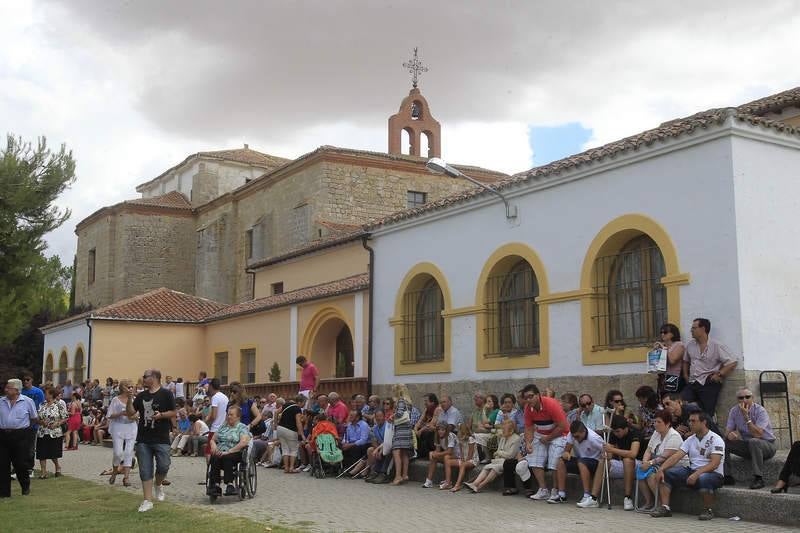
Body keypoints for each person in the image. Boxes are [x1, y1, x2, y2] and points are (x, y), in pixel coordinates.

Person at [651, 411, 725, 521]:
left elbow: (714, 464)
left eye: (693, 421)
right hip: (693, 471)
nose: (690, 423)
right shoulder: (690, 439)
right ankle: (665, 508)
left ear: (703, 422)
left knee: (703, 478)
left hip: (713, 474)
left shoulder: (716, 439)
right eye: (689, 421)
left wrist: (696, 474)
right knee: (667, 473)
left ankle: (708, 510)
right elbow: (676, 456)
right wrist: (661, 469)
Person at [132, 369, 176, 513]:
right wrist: (129, 398)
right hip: (143, 438)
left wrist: (161, 415)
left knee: (164, 466)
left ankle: (158, 484)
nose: (143, 378)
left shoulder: (166, 394)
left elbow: (174, 412)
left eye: (146, 376)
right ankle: (147, 500)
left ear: (155, 378)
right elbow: (131, 412)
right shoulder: (141, 395)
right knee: (145, 470)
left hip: (161, 437)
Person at [681, 318, 738, 416]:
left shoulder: (716, 345)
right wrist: (686, 375)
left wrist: (719, 373)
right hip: (693, 381)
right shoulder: (690, 345)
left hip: (708, 381)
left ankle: (710, 426)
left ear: (703, 329)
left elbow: (732, 361)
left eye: (694, 328)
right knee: (683, 403)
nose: (691, 330)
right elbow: (685, 361)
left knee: (707, 412)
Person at [523, 384, 569, 501]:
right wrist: (528, 443)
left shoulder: (552, 404)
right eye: (526, 397)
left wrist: (548, 438)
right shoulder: (528, 408)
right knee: (533, 458)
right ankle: (543, 489)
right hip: (541, 433)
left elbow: (563, 426)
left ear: (538, 395)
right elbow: (528, 427)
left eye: (531, 396)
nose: (528, 399)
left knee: (554, 460)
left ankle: (555, 490)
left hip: (559, 434)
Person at [724, 387, 776, 489]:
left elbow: (758, 434)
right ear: (737, 399)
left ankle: (758, 478)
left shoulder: (760, 411)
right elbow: (727, 431)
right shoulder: (734, 411)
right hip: (748, 446)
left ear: (753, 398)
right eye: (741, 398)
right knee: (723, 442)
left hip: (767, 445)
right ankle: (727, 476)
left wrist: (746, 417)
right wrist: (730, 435)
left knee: (754, 441)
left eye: (747, 397)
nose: (744, 400)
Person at [637, 410, 687, 510]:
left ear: (667, 423)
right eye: (654, 422)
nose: (655, 424)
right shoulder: (656, 433)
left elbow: (665, 456)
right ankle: (649, 502)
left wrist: (650, 463)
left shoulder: (674, 436)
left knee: (652, 475)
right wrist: (645, 462)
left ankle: (660, 503)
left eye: (659, 422)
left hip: (674, 465)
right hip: (657, 463)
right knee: (640, 470)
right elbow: (648, 450)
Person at [593, 414, 642, 510]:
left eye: (618, 431)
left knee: (627, 460)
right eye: (614, 432)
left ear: (625, 428)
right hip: (621, 464)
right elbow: (610, 454)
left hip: (638, 465)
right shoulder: (614, 434)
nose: (616, 434)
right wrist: (606, 454)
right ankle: (593, 498)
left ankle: (627, 498)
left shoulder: (635, 433)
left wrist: (612, 450)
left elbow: (633, 454)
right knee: (603, 461)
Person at [549, 420, 604, 506]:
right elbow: (567, 449)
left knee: (581, 462)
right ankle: (561, 495)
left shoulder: (594, 438)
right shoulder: (572, 435)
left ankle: (586, 495)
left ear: (584, 431)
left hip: (594, 463)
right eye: (574, 436)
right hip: (580, 460)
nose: (575, 439)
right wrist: (566, 453)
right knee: (561, 461)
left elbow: (607, 451)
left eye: (577, 436)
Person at [0, 378, 39, 498]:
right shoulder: (1, 401)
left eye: (8, 388)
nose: (6, 389)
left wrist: (25, 429)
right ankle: (4, 493)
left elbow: (34, 418)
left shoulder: (27, 401)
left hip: (21, 435)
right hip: (3, 435)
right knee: (2, 464)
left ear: (16, 390)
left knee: (21, 464)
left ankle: (25, 486)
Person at [465, 418, 521, 494]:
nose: (502, 431)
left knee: (494, 468)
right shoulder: (503, 437)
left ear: (511, 430)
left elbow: (510, 455)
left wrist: (499, 453)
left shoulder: (516, 439)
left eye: (504, 429)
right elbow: (497, 452)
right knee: (486, 467)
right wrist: (499, 453)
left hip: (508, 462)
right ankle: (474, 484)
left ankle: (480, 486)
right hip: (499, 460)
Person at [207, 405, 251, 496]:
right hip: (220, 451)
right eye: (228, 414)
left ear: (238, 416)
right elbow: (212, 439)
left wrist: (229, 451)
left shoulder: (242, 427)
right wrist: (214, 446)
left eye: (231, 415)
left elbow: (244, 442)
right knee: (214, 457)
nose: (228, 416)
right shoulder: (223, 426)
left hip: (235, 452)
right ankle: (216, 486)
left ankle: (230, 485)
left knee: (227, 458)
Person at [108, 379, 137, 486]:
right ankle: (115, 472)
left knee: (129, 452)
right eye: (128, 387)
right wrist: (121, 413)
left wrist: (133, 416)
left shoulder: (134, 399)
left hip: (131, 427)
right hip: (118, 427)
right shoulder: (116, 400)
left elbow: (137, 414)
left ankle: (126, 477)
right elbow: (110, 414)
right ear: (122, 388)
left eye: (131, 386)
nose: (130, 389)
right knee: (118, 453)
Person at [35, 386, 67, 479]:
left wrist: (57, 423)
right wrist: (41, 422)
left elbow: (65, 417)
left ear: (52, 395)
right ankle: (43, 472)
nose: (45, 395)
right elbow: (37, 417)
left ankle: (57, 467)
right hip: (42, 431)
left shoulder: (59, 405)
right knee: (41, 453)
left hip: (54, 432)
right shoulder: (42, 404)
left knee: (53, 453)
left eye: (46, 393)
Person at [390, 384, 414, 486]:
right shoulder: (409, 402)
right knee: (404, 453)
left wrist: (392, 416)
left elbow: (399, 413)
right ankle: (405, 475)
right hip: (407, 429)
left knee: (396, 452)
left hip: (400, 429)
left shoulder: (400, 401)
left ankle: (398, 476)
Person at [421, 422, 457, 489]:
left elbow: (450, 451)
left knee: (446, 457)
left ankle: (448, 483)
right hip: (450, 455)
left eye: (443, 430)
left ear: (446, 431)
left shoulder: (450, 436)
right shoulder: (437, 436)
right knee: (433, 456)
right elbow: (437, 450)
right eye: (439, 430)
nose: (440, 432)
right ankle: (429, 481)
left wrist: (437, 454)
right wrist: (433, 454)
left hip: (457, 456)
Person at [20, 374, 44, 473]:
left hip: (33, 422)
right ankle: (20, 465)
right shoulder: (21, 391)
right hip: (22, 422)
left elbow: (41, 405)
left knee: (31, 447)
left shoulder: (38, 392)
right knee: (21, 446)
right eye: (24, 380)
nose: (25, 381)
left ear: (31, 380)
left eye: (27, 380)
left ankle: (30, 467)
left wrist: (38, 418)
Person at [655, 323, 686, 396]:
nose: (662, 334)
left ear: (673, 334)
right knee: (662, 400)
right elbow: (656, 364)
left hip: (673, 377)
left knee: (670, 400)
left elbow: (672, 360)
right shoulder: (663, 346)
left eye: (665, 332)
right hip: (662, 378)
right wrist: (655, 352)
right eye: (661, 332)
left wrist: (664, 349)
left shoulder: (679, 345)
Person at [276, 395, 305, 473]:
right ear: (300, 402)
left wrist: (275, 424)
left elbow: (276, 412)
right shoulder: (297, 409)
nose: (304, 405)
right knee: (293, 449)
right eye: (303, 403)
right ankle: (291, 468)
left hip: (280, 428)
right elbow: (298, 422)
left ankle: (286, 468)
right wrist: (302, 434)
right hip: (291, 430)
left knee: (285, 448)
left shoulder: (287, 405)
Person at [204, 378, 228, 456]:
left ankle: (210, 467)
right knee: (221, 450)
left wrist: (207, 420)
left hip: (215, 428)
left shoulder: (215, 397)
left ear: (211, 386)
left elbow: (214, 415)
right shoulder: (225, 397)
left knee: (209, 451)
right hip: (224, 428)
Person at [413, 393, 441, 459]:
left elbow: (431, 425)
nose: (425, 403)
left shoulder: (438, 409)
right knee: (414, 432)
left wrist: (420, 430)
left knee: (427, 432)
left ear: (433, 402)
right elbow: (419, 422)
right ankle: (419, 453)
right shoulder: (427, 409)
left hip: (437, 431)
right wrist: (416, 430)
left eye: (426, 401)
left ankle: (426, 453)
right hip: (428, 429)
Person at [467, 392, 492, 463]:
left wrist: (479, 429)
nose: (474, 399)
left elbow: (488, 426)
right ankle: (469, 459)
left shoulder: (487, 410)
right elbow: (469, 426)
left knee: (474, 438)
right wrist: (471, 432)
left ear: (482, 399)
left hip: (486, 433)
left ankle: (471, 459)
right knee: (471, 437)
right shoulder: (474, 412)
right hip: (475, 434)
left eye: (476, 398)